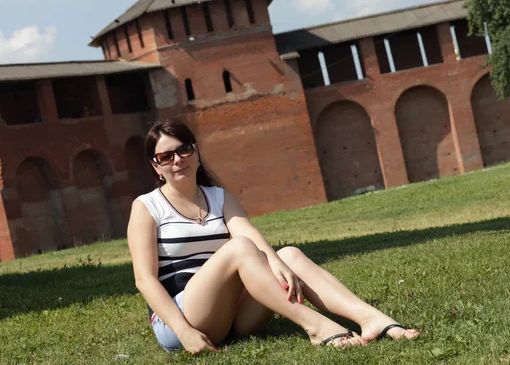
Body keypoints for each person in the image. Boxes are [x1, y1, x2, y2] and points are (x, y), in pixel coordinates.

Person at [127, 120, 420, 354]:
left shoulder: (218, 197)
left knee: (288, 254)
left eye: (184, 150)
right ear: (156, 166)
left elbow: (250, 234)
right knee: (241, 248)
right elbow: (145, 280)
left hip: (229, 318)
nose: (177, 160)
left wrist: (277, 262)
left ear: (196, 152)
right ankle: (317, 327)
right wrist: (184, 331)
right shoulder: (147, 206)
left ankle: (370, 318)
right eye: (166, 156)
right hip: (180, 319)